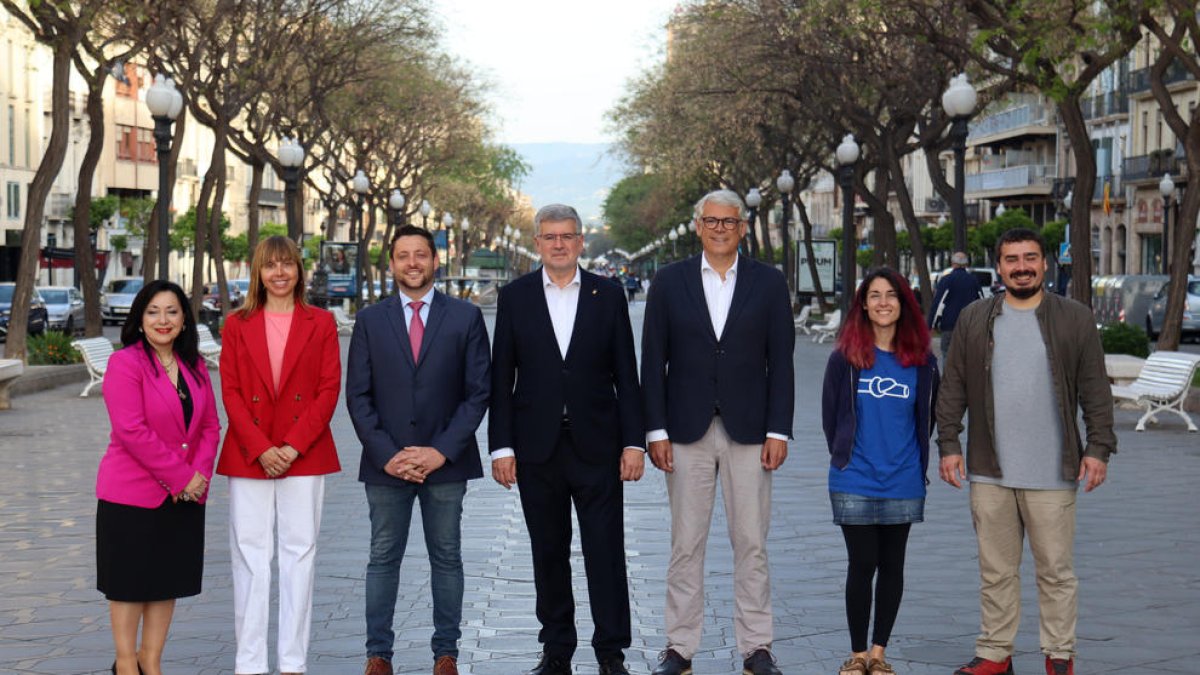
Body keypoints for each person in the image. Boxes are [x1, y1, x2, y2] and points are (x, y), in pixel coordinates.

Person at [937, 228, 1116, 675]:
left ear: (1045, 263)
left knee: (1056, 572)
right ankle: (995, 654)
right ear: (998, 266)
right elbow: (953, 384)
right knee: (995, 571)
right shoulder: (975, 318)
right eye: (1012, 259)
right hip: (989, 469)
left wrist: (1098, 448)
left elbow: (1096, 387)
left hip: (1054, 472)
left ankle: (1059, 656)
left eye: (1030, 258)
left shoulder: (1074, 318)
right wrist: (948, 444)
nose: (1022, 266)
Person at [641, 189, 795, 675]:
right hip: (685, 431)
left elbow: (782, 363)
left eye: (730, 222)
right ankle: (679, 647)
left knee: (751, 540)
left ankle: (757, 647)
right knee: (686, 543)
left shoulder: (769, 283)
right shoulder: (668, 282)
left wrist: (780, 430)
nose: (721, 228)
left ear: (743, 228)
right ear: (698, 226)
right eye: (712, 221)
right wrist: (655, 430)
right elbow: (653, 361)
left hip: (751, 431)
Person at [489, 204, 645, 675]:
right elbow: (501, 378)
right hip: (537, 448)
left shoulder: (608, 294)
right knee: (548, 551)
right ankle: (556, 648)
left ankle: (610, 651)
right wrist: (502, 447)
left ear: (581, 242)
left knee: (604, 549)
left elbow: (627, 374)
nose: (559, 244)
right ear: (537, 243)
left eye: (568, 236)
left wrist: (634, 443)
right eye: (550, 236)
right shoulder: (514, 297)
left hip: (598, 445)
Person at [346, 225, 491, 675]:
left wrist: (439, 451)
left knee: (446, 557)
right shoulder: (370, 321)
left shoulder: (465, 318)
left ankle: (445, 653)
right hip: (385, 465)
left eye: (421, 255)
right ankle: (378, 655)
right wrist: (389, 454)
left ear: (434, 261)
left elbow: (478, 392)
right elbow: (358, 396)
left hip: (446, 465)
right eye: (403, 255)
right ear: (391, 263)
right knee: (382, 558)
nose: (412, 263)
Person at [216, 236, 342, 675]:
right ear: (258, 272)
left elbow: (328, 390)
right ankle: (249, 663)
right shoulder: (236, 324)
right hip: (250, 453)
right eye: (271, 265)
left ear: (299, 270)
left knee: (299, 554)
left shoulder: (321, 322)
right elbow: (230, 392)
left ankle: (293, 662)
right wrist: (261, 448)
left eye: (287, 264)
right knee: (249, 557)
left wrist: (290, 446)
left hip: (303, 452)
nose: (280, 273)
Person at [95, 280, 220, 675]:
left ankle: (152, 661)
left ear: (184, 319)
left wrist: (198, 477)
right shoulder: (126, 363)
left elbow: (210, 427)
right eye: (153, 312)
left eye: (172, 311)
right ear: (140, 318)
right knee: (129, 586)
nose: (162, 320)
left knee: (166, 582)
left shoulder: (194, 365)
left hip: (184, 496)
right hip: (131, 495)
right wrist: (182, 477)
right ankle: (126, 664)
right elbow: (131, 430)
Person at [821, 269, 939, 675]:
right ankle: (856, 655)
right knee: (862, 563)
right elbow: (830, 418)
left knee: (893, 565)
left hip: (903, 479)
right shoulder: (844, 359)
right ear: (864, 305)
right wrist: (845, 456)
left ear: (904, 304)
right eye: (874, 296)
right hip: (854, 478)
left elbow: (928, 417)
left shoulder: (922, 363)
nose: (883, 302)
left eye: (892, 295)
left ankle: (878, 653)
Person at [926, 251, 983, 362]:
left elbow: (938, 304)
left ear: (953, 263)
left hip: (949, 326)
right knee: (968, 357)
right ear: (966, 264)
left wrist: (930, 325)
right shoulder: (973, 280)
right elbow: (981, 302)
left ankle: (949, 378)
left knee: (948, 355)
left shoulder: (946, 280)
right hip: (970, 326)